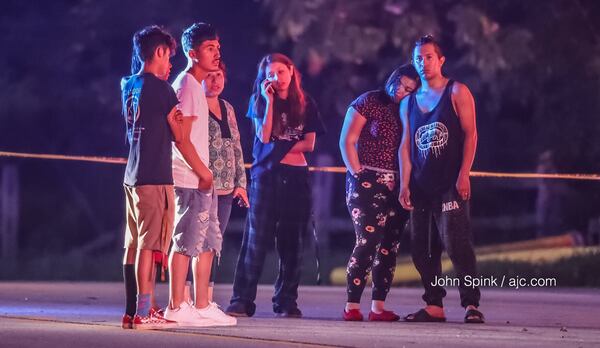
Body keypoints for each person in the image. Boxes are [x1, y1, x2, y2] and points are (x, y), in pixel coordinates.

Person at [226, 53, 326, 318]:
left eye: (281, 72)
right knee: (256, 241)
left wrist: (278, 148)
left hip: (296, 178)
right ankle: (242, 300)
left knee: (293, 243)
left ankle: (286, 301)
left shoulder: (306, 103)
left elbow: (309, 144)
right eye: (270, 74)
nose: (276, 78)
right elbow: (264, 134)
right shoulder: (259, 101)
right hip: (266, 177)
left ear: (292, 72)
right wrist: (269, 102)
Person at [398, 35, 484, 324]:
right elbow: (406, 146)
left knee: (456, 244)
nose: (424, 63)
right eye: (418, 58)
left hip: (450, 183)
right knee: (422, 249)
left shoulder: (457, 91)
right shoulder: (408, 102)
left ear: (441, 60)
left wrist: (464, 174)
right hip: (421, 186)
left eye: (429, 57)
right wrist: (404, 184)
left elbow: (471, 134)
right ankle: (434, 304)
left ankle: (471, 304)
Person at [164, 22, 236, 327]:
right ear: (192, 53)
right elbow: (181, 137)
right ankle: (175, 305)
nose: (216, 53)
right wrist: (203, 173)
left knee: (207, 240)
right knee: (185, 240)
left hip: (202, 178)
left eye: (217, 47)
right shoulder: (187, 85)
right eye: (210, 48)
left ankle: (202, 303)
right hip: (189, 178)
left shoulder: (196, 86)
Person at [339, 64, 418, 321]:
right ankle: (352, 306)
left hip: (398, 182)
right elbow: (347, 139)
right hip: (367, 179)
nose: (401, 91)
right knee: (367, 241)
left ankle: (378, 307)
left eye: (409, 89)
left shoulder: (409, 110)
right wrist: (357, 171)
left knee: (389, 245)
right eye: (400, 83)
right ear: (392, 77)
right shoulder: (369, 101)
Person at [120, 25, 182, 330]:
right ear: (158, 52)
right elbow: (179, 135)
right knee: (149, 244)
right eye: (169, 55)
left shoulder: (128, 85)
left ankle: (132, 311)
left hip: (132, 175)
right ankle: (145, 311)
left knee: (132, 244)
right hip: (155, 176)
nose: (170, 63)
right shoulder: (162, 89)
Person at [201, 61, 249, 301]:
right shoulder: (195, 106)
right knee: (195, 242)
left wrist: (241, 184)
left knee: (214, 243)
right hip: (201, 186)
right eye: (209, 76)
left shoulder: (227, 107)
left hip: (226, 189)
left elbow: (236, 146)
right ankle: (187, 296)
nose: (215, 81)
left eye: (219, 75)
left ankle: (207, 298)